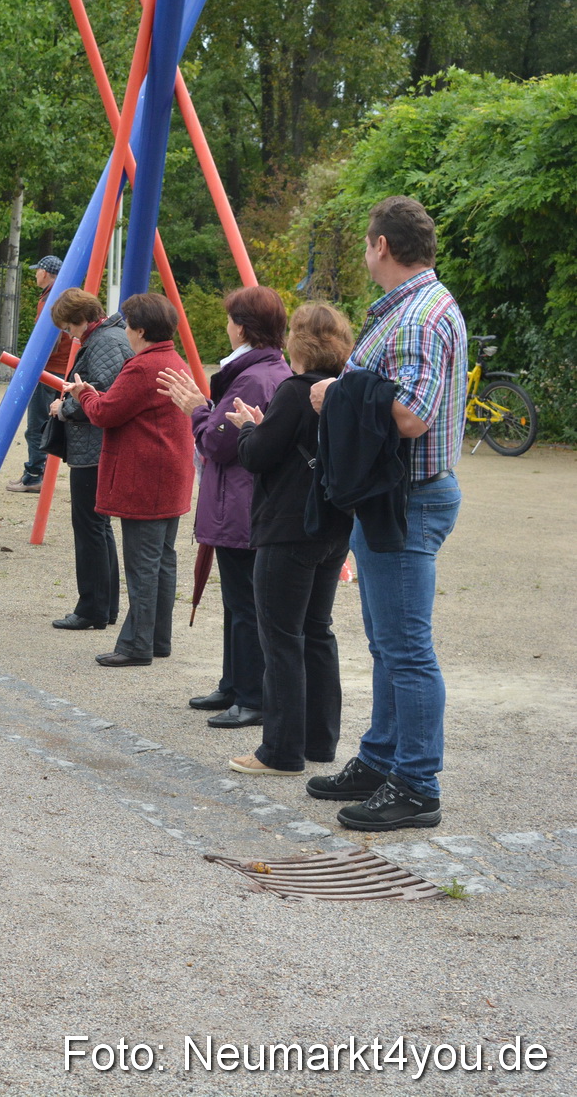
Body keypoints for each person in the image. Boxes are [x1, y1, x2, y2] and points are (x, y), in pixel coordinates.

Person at [305, 196, 466, 831]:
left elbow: (411, 416)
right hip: (393, 499)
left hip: (409, 501)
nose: (365, 252)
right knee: (387, 643)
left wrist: (335, 396)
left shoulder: (418, 318)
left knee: (406, 649)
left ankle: (417, 785)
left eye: (366, 243)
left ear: (381, 246)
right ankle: (382, 758)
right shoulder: (415, 308)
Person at [227, 303, 356, 775]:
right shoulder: (344, 392)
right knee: (317, 631)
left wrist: (247, 430)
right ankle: (320, 741)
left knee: (281, 637)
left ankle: (280, 751)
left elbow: (258, 456)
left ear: (298, 344)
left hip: (287, 527)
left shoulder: (295, 391)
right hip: (332, 524)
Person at [158, 287, 291, 728]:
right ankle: (234, 683)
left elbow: (219, 441)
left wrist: (197, 410)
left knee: (245, 604)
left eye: (232, 319)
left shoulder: (254, 376)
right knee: (237, 602)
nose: (227, 326)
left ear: (244, 327)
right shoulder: (265, 369)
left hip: (241, 504)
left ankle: (250, 695)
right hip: (239, 502)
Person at [67, 292, 194, 667]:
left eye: (127, 326)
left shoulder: (143, 366)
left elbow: (107, 413)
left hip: (145, 478)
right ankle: (157, 638)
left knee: (142, 564)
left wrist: (85, 393)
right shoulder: (174, 359)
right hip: (170, 475)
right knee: (162, 561)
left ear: (139, 330)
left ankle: (137, 644)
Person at [46, 288, 129, 631]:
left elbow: (101, 395)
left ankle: (91, 608)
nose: (69, 334)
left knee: (90, 528)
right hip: (97, 447)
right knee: (99, 528)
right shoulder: (111, 337)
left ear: (81, 319)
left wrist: (63, 407)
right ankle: (104, 606)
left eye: (69, 327)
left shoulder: (104, 342)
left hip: (93, 449)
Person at [8, 253, 70, 493]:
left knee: (36, 426)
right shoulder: (67, 296)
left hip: (48, 372)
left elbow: (49, 341)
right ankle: (38, 472)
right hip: (63, 371)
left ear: (45, 273)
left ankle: (34, 474)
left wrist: (32, 362)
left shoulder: (49, 301)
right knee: (56, 423)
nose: (35, 274)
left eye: (37, 270)